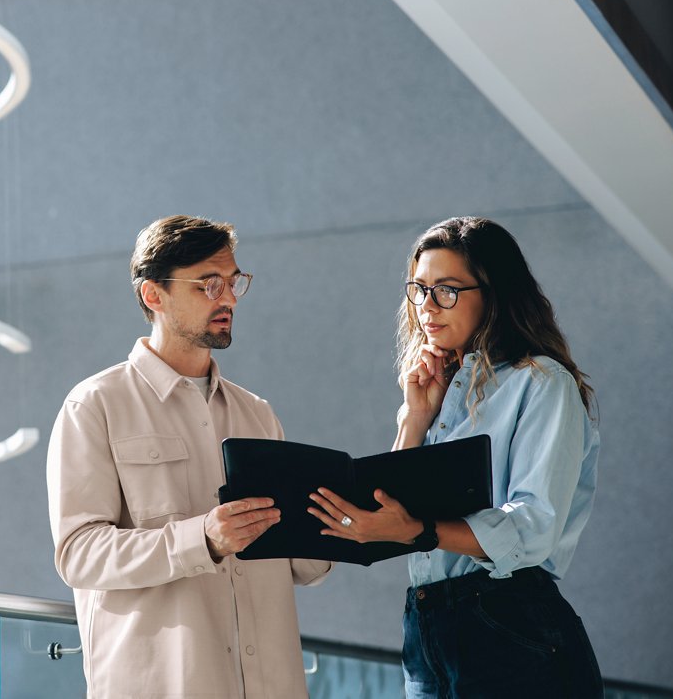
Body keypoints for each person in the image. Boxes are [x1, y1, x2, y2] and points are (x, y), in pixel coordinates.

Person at [308, 216, 602, 698]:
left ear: (492, 293)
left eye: (446, 290)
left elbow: (533, 527)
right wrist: (414, 418)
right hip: (426, 624)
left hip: (508, 620)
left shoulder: (541, 383)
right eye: (418, 289)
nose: (426, 307)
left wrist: (420, 532)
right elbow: (395, 511)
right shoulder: (439, 391)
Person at [47, 214, 331, 698]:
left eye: (234, 281)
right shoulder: (94, 405)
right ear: (153, 295)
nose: (228, 298)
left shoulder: (257, 414)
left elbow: (304, 567)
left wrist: (332, 526)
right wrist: (202, 538)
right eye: (209, 284)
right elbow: (79, 555)